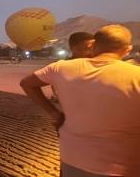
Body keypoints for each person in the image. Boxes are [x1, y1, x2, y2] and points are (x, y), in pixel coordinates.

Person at [20, 25, 140, 176]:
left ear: (94, 45)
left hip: (72, 158)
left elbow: (26, 83)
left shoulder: (60, 68)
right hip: (124, 165)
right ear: (127, 49)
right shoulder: (136, 75)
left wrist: (54, 114)